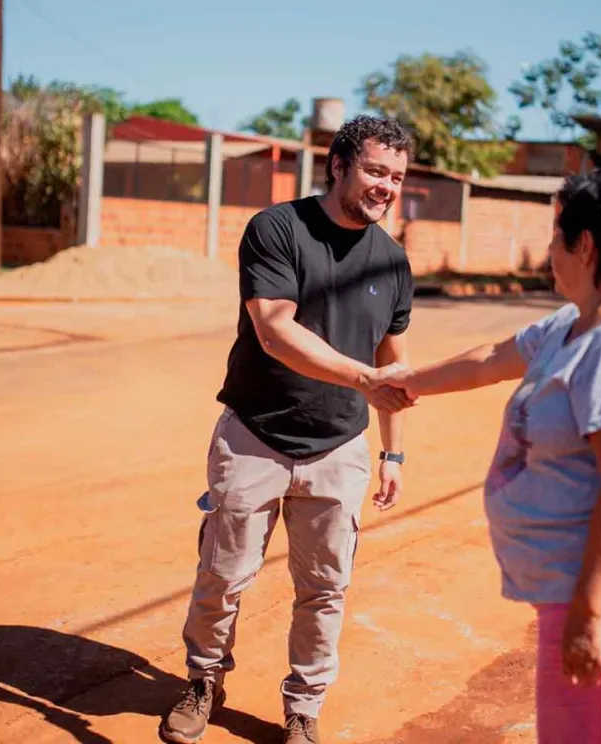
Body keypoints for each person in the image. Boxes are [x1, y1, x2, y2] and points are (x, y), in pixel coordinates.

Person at [387, 168, 601, 743]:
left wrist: (590, 611)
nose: (548, 250)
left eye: (556, 236)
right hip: (577, 590)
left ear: (586, 244)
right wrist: (407, 381)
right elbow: (493, 357)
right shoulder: (576, 323)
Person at [161, 115, 416, 744]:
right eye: (376, 170)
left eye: (398, 177)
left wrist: (394, 454)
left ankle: (304, 707)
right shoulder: (277, 229)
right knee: (223, 574)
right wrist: (363, 380)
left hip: (340, 448)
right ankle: (203, 679)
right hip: (255, 437)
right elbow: (275, 331)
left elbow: (394, 366)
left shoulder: (394, 260)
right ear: (339, 165)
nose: (386, 186)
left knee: (326, 588)